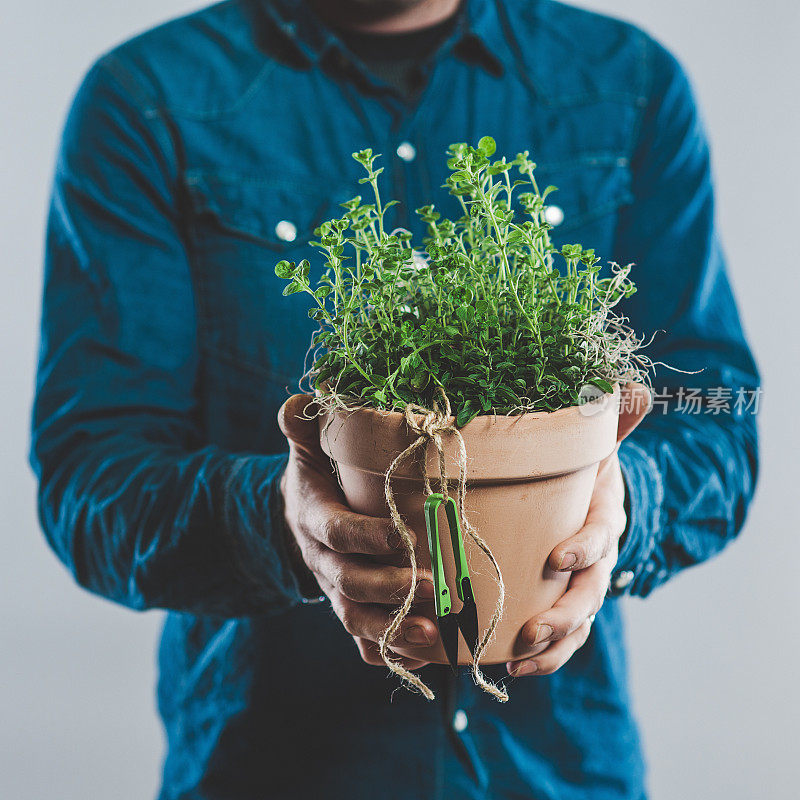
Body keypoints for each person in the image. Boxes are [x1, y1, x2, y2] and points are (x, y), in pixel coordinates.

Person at [31, 0, 759, 797]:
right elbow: (90, 478)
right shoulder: (147, 97)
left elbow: (719, 411)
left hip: (555, 771)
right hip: (269, 769)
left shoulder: (628, 82)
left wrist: (627, 503)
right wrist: (282, 522)